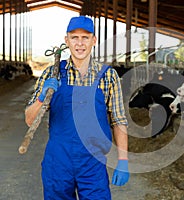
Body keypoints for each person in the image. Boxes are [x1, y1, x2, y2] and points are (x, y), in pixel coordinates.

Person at [25, 15, 129, 199]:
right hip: (58, 163)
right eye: (74, 37)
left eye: (85, 37)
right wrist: (42, 97)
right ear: (67, 40)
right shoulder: (52, 73)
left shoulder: (108, 76)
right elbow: (29, 119)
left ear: (93, 40)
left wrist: (123, 160)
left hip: (92, 163)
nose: (80, 43)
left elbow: (119, 120)